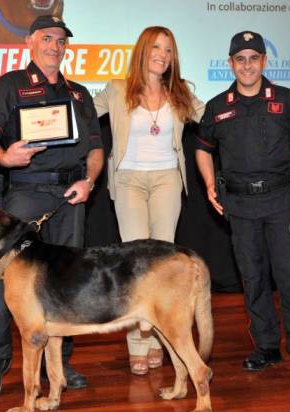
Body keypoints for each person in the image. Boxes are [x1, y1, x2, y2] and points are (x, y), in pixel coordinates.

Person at [0, 15, 104, 398]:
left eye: (61, 40)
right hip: (25, 193)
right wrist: (4, 157)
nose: (54, 46)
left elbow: (96, 148)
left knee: (67, 281)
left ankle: (59, 362)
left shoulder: (79, 94)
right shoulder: (10, 85)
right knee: (4, 282)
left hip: (70, 196)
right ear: (30, 42)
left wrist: (90, 181)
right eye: (47, 38)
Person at [195, 30, 290, 376]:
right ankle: (266, 347)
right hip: (240, 207)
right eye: (240, 59)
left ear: (264, 61)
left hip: (283, 202)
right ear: (230, 64)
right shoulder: (218, 106)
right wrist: (209, 184)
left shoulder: (286, 99)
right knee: (253, 279)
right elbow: (203, 148)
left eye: (254, 58)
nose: (247, 66)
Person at [93, 26, 205, 376]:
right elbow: (79, 113)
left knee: (161, 266)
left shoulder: (182, 92)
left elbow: (215, 119)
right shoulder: (116, 89)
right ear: (143, 50)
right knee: (135, 264)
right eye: (156, 47)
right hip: (127, 181)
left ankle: (159, 341)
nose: (162, 54)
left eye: (169, 50)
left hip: (167, 181)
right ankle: (137, 344)